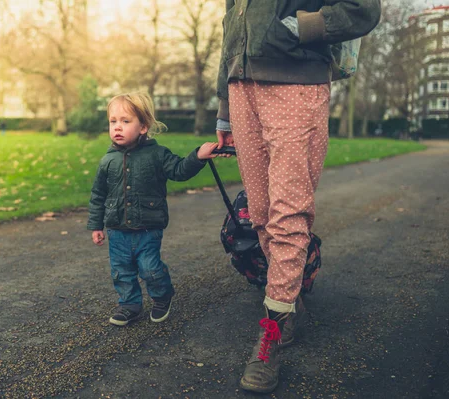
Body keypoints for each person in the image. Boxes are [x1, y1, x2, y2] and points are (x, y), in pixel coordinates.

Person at [215, 0, 381, 393]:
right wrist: (224, 106)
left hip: (296, 84)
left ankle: (272, 332)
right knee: (260, 211)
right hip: (242, 89)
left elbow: (363, 9)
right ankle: (287, 300)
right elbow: (230, 24)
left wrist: (300, 27)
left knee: (288, 213)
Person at [88, 92, 218, 326]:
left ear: (143, 127)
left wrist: (197, 157)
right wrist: (96, 225)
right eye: (113, 121)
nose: (117, 127)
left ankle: (162, 297)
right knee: (121, 271)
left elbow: (178, 170)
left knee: (149, 269)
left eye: (125, 121)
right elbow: (98, 195)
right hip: (117, 228)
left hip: (148, 228)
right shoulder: (108, 160)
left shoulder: (157, 154)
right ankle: (129, 305)